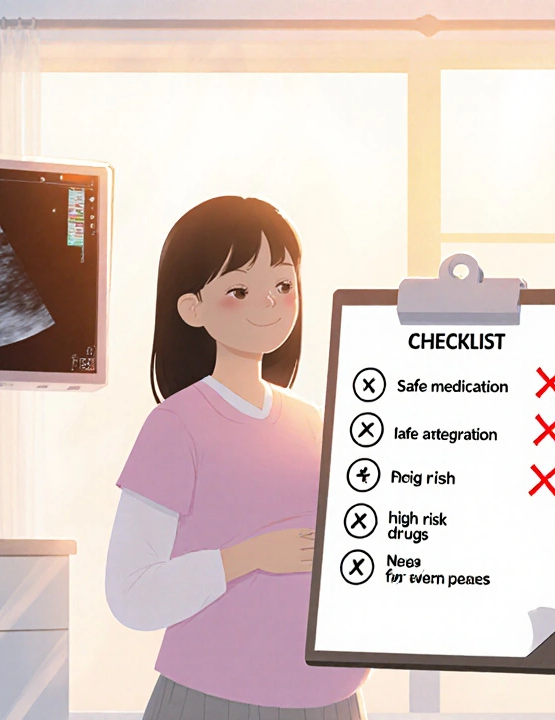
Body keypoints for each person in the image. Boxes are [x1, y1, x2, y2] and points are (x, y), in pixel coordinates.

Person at [105, 196, 370, 719]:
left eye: (284, 285)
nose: (268, 302)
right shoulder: (176, 426)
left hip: (332, 699)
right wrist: (246, 557)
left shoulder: (316, 422)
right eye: (240, 290)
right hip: (214, 699)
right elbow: (130, 593)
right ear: (192, 309)